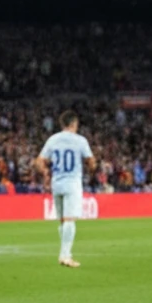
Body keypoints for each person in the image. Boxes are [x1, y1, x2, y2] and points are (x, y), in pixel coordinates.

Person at [35, 110, 95, 268]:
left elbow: (39, 161)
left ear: (62, 124)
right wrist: (90, 169)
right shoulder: (80, 140)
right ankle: (65, 256)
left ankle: (64, 253)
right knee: (70, 220)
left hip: (57, 183)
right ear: (74, 124)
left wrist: (45, 173)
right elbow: (91, 161)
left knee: (62, 220)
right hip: (72, 183)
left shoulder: (53, 139)